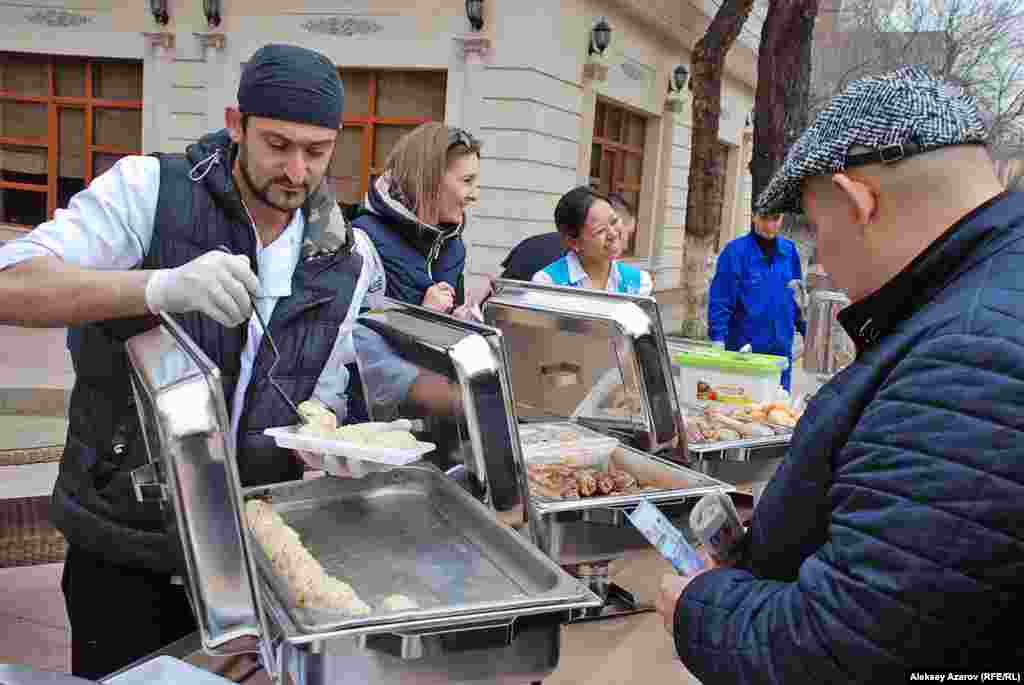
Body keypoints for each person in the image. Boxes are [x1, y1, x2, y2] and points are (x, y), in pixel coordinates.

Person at [0, 44, 455, 679]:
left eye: (317, 151)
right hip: (130, 539)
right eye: (277, 144)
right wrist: (155, 287)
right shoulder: (150, 191)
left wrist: (325, 439)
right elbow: (12, 282)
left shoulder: (346, 258)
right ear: (236, 124)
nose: (297, 171)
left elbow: (322, 386)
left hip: (255, 549)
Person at [655, 66, 1024, 682]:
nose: (821, 260)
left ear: (860, 203)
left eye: (821, 231)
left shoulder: (970, 355)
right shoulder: (980, 297)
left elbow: (843, 647)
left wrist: (697, 605)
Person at [354, 123, 482, 319]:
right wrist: (422, 316)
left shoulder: (453, 247)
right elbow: (343, 337)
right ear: (428, 179)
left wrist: (460, 320)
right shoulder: (362, 243)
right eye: (467, 181)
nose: (475, 195)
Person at [707, 211, 806, 390]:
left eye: (775, 219)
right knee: (743, 407)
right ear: (754, 217)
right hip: (745, 347)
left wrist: (807, 331)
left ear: (782, 217)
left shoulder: (789, 251)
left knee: (778, 406)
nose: (770, 226)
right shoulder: (735, 252)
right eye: (764, 219)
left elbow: (797, 297)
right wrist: (718, 338)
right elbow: (721, 297)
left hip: (780, 345)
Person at [532, 186, 653, 295]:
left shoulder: (640, 283)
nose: (613, 233)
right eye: (600, 231)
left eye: (614, 221)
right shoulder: (547, 285)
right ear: (574, 242)